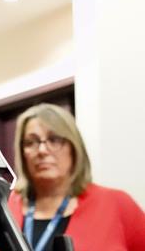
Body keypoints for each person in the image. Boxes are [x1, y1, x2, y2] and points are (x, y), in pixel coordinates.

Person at [8, 103, 145, 251]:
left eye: (54, 140)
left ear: (74, 147)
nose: (42, 150)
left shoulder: (117, 204)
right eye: (31, 142)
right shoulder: (5, 206)